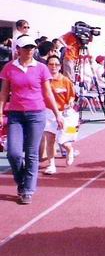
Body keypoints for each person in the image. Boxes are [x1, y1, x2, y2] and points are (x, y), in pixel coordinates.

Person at [0, 35, 64, 204]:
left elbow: (48, 93)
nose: (29, 50)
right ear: (18, 50)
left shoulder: (41, 68)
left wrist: (57, 114)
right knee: (13, 153)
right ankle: (21, 180)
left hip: (36, 114)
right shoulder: (9, 68)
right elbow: (4, 93)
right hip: (16, 115)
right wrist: (0, 113)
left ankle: (27, 189)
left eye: (31, 47)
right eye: (25, 47)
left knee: (31, 153)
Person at [42, 55, 76, 174]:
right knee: (50, 139)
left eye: (56, 64)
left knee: (63, 140)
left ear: (60, 66)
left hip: (64, 114)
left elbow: (72, 95)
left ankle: (70, 150)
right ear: (47, 66)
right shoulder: (44, 81)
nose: (54, 67)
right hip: (48, 113)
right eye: (51, 64)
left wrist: (71, 101)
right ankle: (51, 165)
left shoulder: (65, 80)